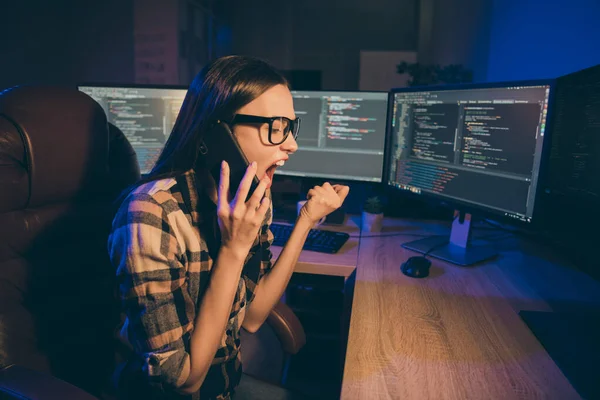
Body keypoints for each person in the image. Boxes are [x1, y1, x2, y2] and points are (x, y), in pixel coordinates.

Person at [107, 55, 350, 400]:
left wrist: (306, 221)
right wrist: (233, 250)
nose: (291, 145)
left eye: (290, 127)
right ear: (216, 133)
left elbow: (253, 316)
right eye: (274, 127)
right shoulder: (150, 214)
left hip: (226, 386)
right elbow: (183, 382)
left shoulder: (248, 200)